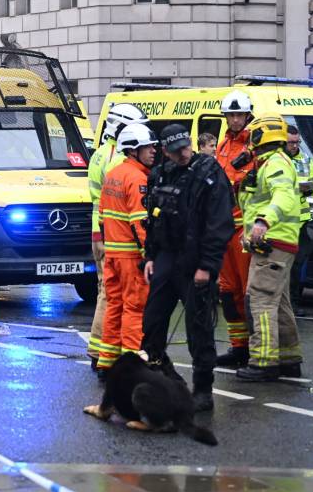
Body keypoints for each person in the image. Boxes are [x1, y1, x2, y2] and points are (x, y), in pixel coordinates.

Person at [142, 124, 233, 412]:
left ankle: (202, 389)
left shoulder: (209, 173)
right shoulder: (161, 174)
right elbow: (153, 219)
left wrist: (207, 266)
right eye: (176, 149)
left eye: (185, 147)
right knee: (152, 322)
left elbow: (219, 223)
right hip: (167, 256)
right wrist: (150, 257)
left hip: (196, 259)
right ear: (166, 152)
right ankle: (165, 378)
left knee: (199, 327)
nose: (183, 153)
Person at [235, 114, 303, 382]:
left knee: (260, 300)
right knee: (280, 302)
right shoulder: (270, 163)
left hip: (272, 244)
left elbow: (283, 196)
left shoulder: (275, 164)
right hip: (279, 243)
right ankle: (288, 357)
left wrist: (264, 222)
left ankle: (263, 362)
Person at [86, 103, 148, 371]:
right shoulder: (119, 161)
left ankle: (103, 353)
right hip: (120, 239)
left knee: (110, 297)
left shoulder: (100, 154)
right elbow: (132, 212)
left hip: (105, 233)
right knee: (120, 300)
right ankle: (110, 354)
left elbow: (98, 200)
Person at [96, 123, 157, 374]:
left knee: (115, 306)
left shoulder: (113, 174)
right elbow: (141, 223)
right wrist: (149, 254)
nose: (154, 151)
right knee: (134, 308)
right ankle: (131, 365)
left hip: (113, 254)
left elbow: (101, 216)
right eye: (148, 147)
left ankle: (107, 362)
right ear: (133, 150)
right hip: (131, 256)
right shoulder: (137, 178)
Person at [214, 90, 256, 368]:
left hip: (244, 228)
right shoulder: (223, 145)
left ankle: (255, 347)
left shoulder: (253, 144)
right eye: (231, 115)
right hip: (223, 227)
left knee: (248, 291)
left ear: (247, 115)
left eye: (239, 115)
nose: (235, 120)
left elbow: (247, 179)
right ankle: (238, 346)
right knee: (228, 292)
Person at [285, 125, 313, 317]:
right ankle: (286, 302)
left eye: (297, 142)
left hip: (303, 219)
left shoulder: (305, 159)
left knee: (297, 264)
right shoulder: (278, 160)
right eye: (291, 142)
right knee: (284, 265)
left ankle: (294, 302)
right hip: (285, 220)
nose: (295, 145)